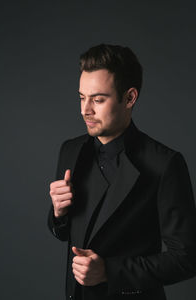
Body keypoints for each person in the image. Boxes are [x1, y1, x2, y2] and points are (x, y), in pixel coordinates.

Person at [48, 44, 196, 300]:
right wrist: (59, 213)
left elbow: (187, 258)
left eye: (98, 99)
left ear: (129, 98)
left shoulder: (165, 163)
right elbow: (64, 232)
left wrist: (110, 271)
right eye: (82, 97)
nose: (85, 110)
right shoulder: (70, 151)